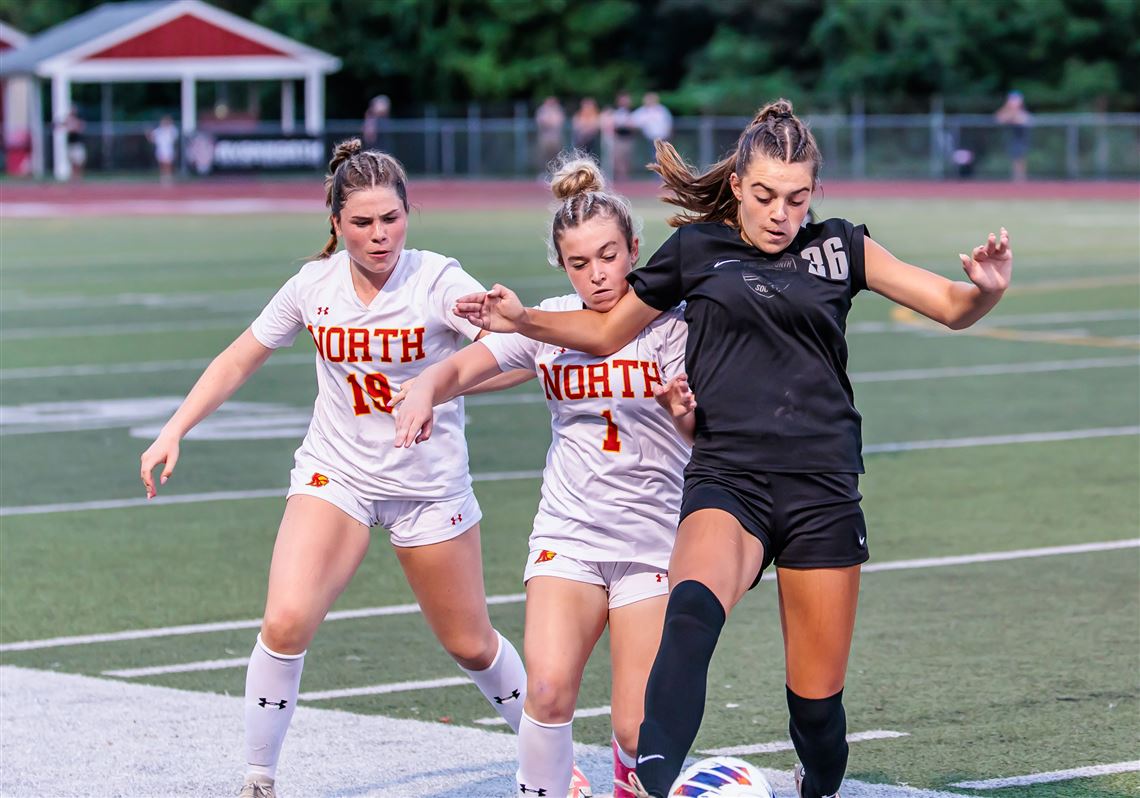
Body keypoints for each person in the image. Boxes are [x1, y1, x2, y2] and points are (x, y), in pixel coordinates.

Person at [451, 99, 1013, 798]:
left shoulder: (843, 247)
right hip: (729, 478)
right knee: (688, 616)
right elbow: (603, 334)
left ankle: (818, 781)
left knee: (817, 712)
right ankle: (653, 788)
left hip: (824, 488)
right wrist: (524, 319)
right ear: (740, 186)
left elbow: (952, 305)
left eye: (798, 198)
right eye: (767, 196)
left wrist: (984, 292)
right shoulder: (695, 250)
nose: (782, 213)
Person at [139, 140, 527, 798]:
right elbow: (240, 356)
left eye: (392, 218)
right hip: (336, 474)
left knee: (470, 644)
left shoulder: (438, 281)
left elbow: (513, 359)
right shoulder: (312, 286)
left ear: (409, 213)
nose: (380, 235)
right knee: (285, 621)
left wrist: (437, 386)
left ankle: (549, 759)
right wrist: (175, 428)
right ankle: (258, 780)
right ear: (335, 224)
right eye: (363, 222)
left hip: (426, 487)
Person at [393, 153, 694, 798]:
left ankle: (626, 775)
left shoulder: (672, 322)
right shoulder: (549, 322)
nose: (597, 275)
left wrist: (684, 414)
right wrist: (425, 389)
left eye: (609, 256)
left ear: (635, 248)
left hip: (652, 540)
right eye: (580, 263)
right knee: (549, 691)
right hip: (570, 533)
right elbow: (464, 366)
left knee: (638, 728)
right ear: (563, 267)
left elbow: (705, 437)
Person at [994, 90, 1031, 182]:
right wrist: (1007, 108)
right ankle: (1016, 177)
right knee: (1015, 157)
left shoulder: (1023, 112)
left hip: (1022, 138)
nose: (1013, 103)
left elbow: (1019, 119)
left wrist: (1012, 113)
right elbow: (998, 118)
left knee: (1021, 157)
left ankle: (1021, 177)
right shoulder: (1007, 110)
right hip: (1013, 138)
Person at [609, 91, 638, 181]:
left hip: (628, 138)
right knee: (618, 157)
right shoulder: (615, 112)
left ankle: (625, 176)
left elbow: (634, 125)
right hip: (618, 138)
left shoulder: (632, 112)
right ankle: (620, 175)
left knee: (627, 158)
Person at [536, 96, 567, 171]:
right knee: (544, 155)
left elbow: (559, 122)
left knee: (557, 156)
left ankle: (557, 171)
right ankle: (544, 172)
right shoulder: (542, 110)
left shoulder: (558, 110)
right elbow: (541, 122)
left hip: (556, 137)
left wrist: (549, 122)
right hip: (545, 137)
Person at [148, 114, 178, 185]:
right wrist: (148, 134)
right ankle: (163, 177)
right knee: (162, 164)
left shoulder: (172, 129)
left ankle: (169, 177)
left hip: (168, 149)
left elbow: (174, 138)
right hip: (160, 149)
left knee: (168, 164)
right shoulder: (158, 130)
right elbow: (152, 139)